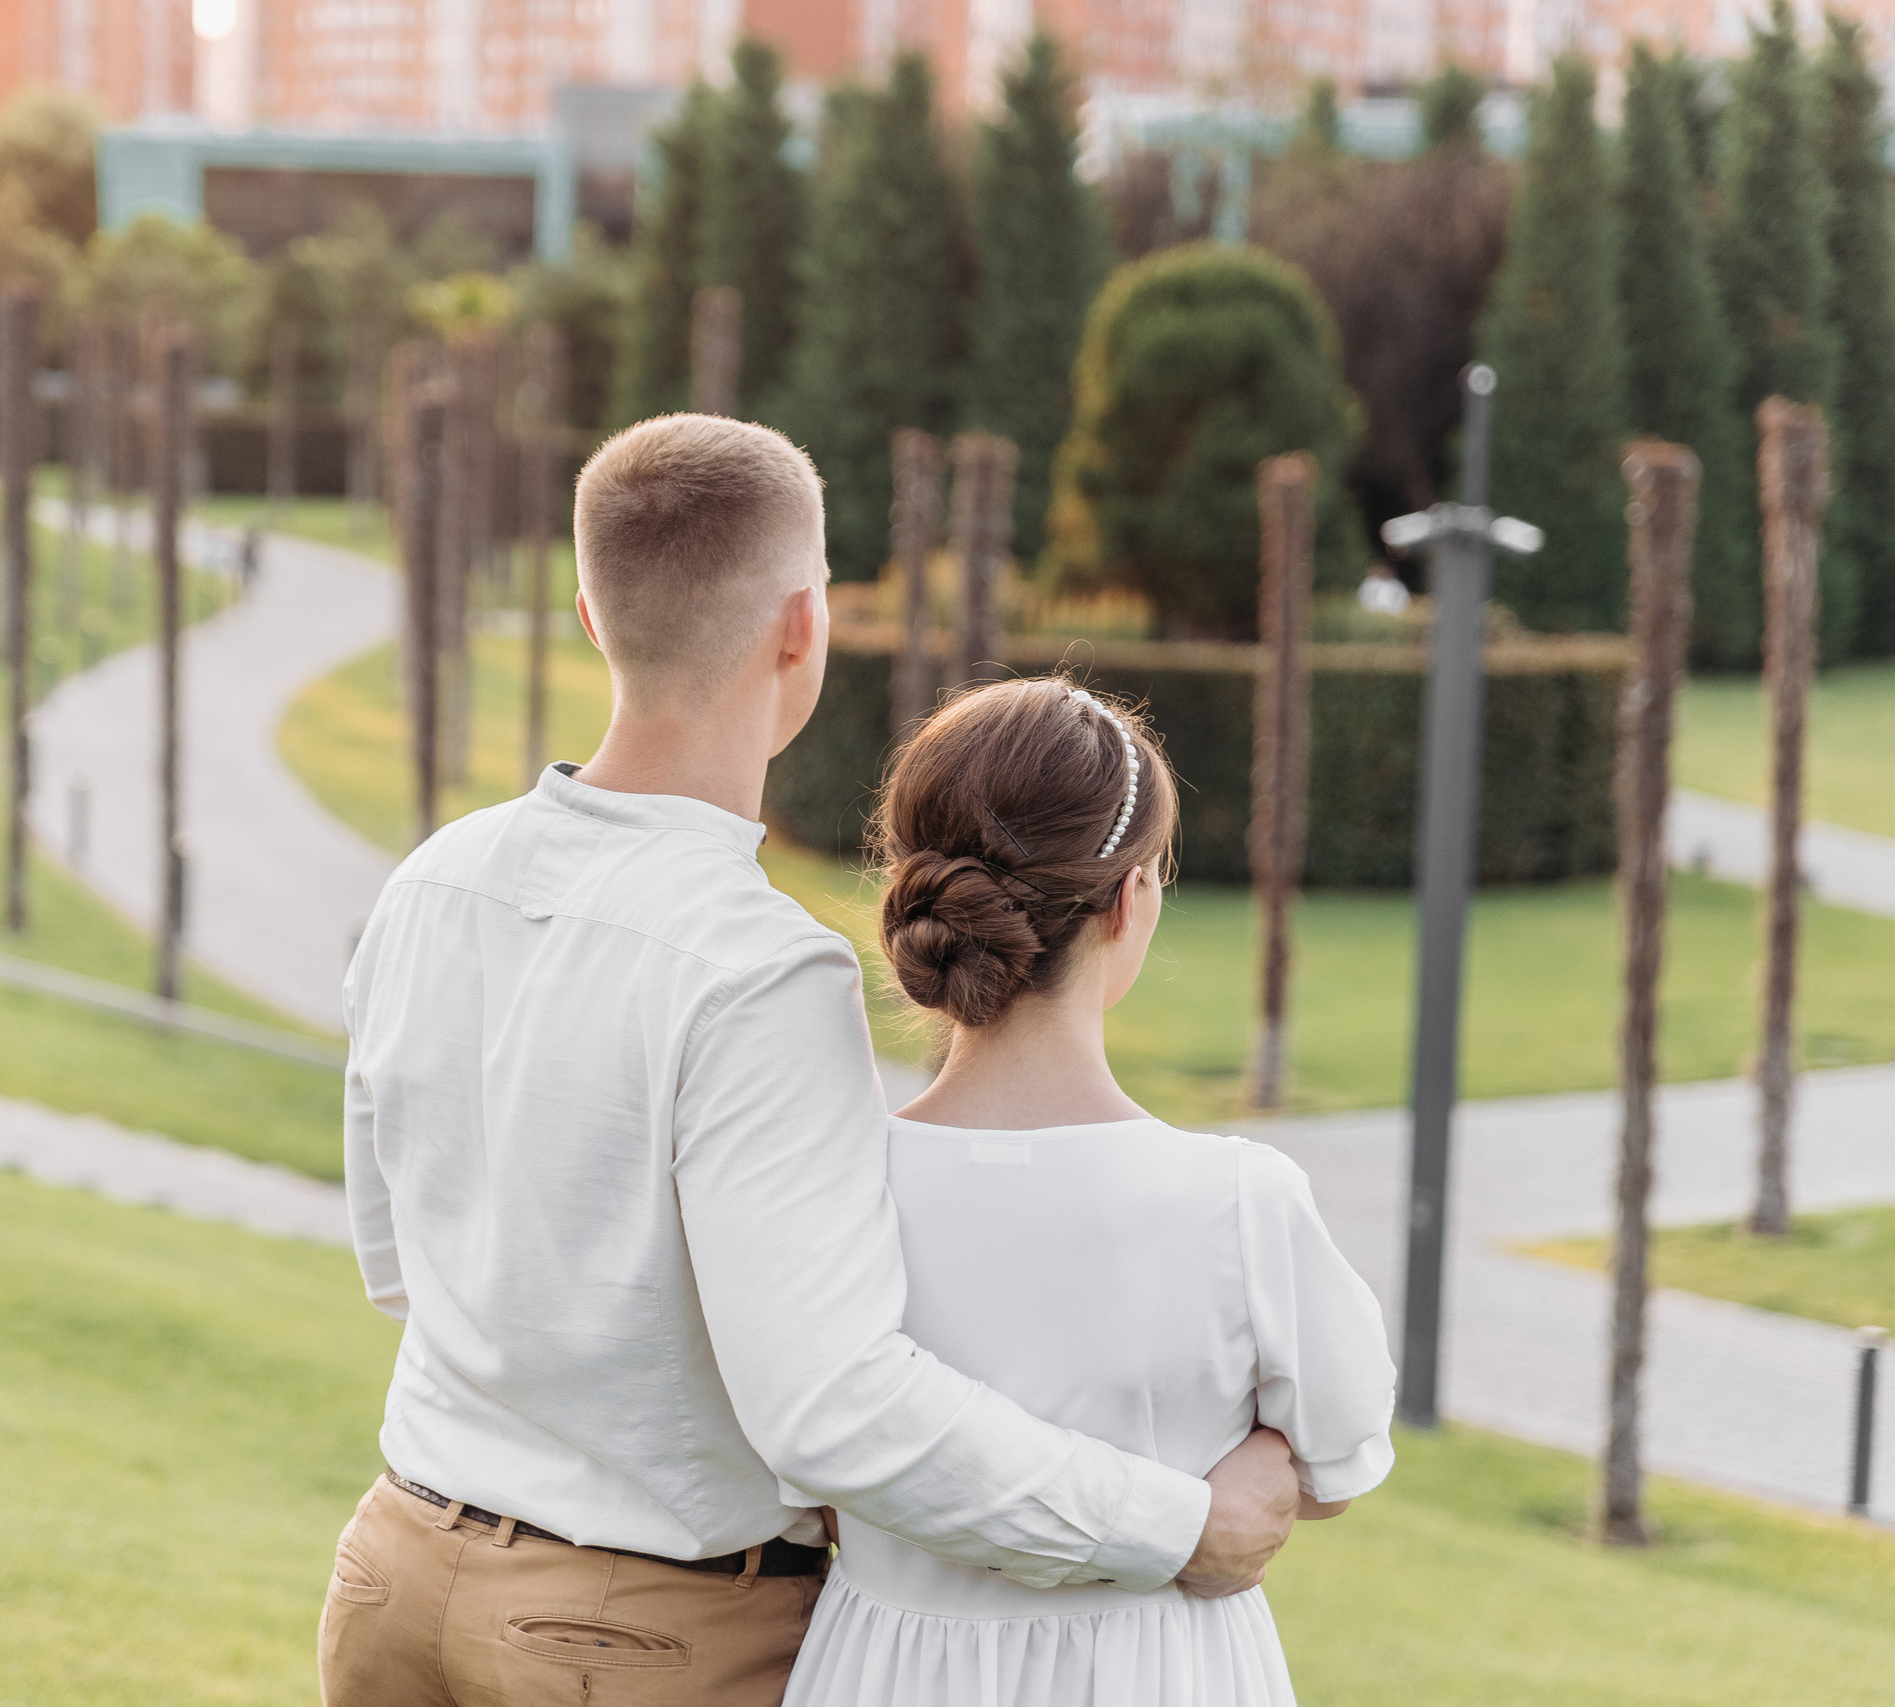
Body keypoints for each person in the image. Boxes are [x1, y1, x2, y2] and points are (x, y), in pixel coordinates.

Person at [322, 414, 1302, 1706]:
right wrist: (1179, 1525)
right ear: (805, 625)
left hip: (393, 1578)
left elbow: (396, 1262)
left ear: (591, 616)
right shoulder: (760, 969)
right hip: (629, 1641)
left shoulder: (434, 878)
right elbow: (832, 1408)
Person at [782, 677, 1397, 1707]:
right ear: (1129, 898)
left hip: (881, 1672)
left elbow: (806, 1479)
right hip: (1160, 1672)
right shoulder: (1237, 1202)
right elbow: (1336, 1468)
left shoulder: (829, 1192)